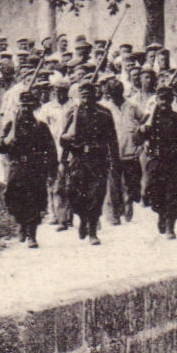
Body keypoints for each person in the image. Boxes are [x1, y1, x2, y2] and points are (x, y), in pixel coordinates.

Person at [60, 80, 118, 244]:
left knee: (96, 195)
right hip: (78, 159)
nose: (86, 99)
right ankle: (83, 219)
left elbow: (112, 140)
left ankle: (92, 230)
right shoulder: (74, 112)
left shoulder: (104, 114)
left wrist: (114, 161)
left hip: (97, 159)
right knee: (75, 194)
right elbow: (63, 138)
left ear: (95, 96)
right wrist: (66, 140)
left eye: (89, 95)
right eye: (83, 96)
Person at [0, 87, 55, 248]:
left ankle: (32, 235)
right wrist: (10, 135)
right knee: (13, 197)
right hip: (17, 166)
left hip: (35, 166)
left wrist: (51, 170)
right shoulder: (11, 125)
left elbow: (50, 149)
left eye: (29, 106)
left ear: (34, 107)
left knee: (35, 199)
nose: (25, 109)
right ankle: (21, 222)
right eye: (23, 105)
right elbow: (1, 147)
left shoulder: (40, 126)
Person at [136, 85, 177, 240]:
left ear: (172, 100)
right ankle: (161, 214)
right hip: (155, 162)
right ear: (156, 100)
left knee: (173, 194)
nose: (164, 102)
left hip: (174, 163)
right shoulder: (149, 119)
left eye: (167, 99)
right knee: (155, 193)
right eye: (161, 99)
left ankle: (170, 226)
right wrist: (141, 130)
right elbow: (137, 139)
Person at [102, 76, 144, 226]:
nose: (115, 97)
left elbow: (144, 118)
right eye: (112, 94)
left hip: (130, 151)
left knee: (130, 184)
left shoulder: (132, 106)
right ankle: (114, 214)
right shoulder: (104, 107)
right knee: (113, 185)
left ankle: (128, 209)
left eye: (117, 93)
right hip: (111, 152)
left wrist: (139, 133)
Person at [39, 73, 73, 230]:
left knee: (69, 183)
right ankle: (55, 214)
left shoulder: (74, 106)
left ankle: (67, 216)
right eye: (57, 90)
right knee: (53, 183)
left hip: (70, 150)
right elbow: (41, 129)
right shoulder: (47, 108)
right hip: (52, 149)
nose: (60, 93)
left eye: (63, 90)